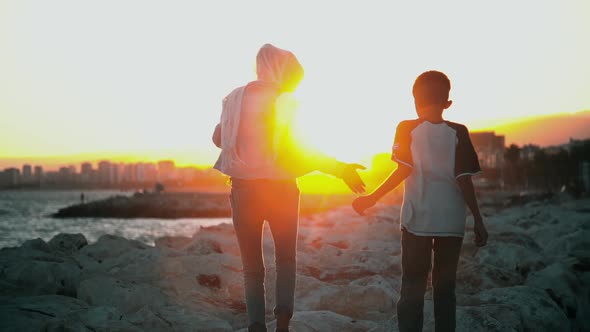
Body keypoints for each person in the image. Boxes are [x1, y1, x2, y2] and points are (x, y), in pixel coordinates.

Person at [212, 43, 366, 332]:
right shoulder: (286, 102)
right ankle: (283, 326)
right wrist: (340, 169)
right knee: (285, 259)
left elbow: (218, 139)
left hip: (244, 191)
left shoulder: (233, 98)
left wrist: (243, 134)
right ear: (281, 71)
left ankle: (256, 326)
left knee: (251, 268)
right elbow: (301, 151)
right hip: (281, 190)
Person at [352, 71, 488, 332]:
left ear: (415, 100)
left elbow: (403, 170)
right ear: (447, 103)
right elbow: (464, 180)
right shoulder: (459, 132)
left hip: (416, 221)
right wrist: (478, 221)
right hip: (452, 222)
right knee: (446, 291)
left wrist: (371, 198)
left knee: (412, 288)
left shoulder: (406, 128)